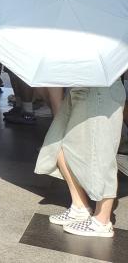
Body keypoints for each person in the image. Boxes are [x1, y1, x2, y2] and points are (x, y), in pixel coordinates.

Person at [35, 82, 124, 238]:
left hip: (100, 89)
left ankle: (102, 221)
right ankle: (80, 207)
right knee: (57, 144)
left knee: (100, 154)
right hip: (80, 88)